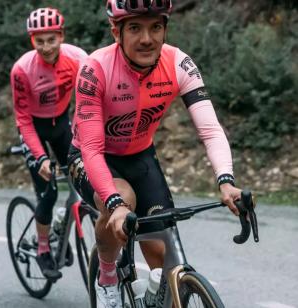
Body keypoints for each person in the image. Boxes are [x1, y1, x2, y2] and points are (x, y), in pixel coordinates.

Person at [67, 0, 243, 306]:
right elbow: (92, 148)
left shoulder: (178, 63)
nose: (147, 38)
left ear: (165, 29)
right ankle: (107, 278)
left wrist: (226, 181)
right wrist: (114, 203)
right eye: (135, 27)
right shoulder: (94, 68)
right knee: (122, 202)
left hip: (140, 155)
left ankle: (153, 298)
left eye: (155, 27)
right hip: (92, 156)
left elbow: (210, 130)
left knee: (164, 258)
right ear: (116, 32)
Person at [10, 7, 87, 281]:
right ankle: (43, 249)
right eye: (39, 41)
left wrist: (86, 136)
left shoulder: (78, 58)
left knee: (84, 180)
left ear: (61, 36)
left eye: (51, 39)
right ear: (32, 40)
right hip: (34, 128)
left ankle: (61, 226)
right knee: (49, 193)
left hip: (63, 123)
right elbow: (22, 119)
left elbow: (89, 100)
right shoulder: (22, 69)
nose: (45, 47)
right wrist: (42, 158)